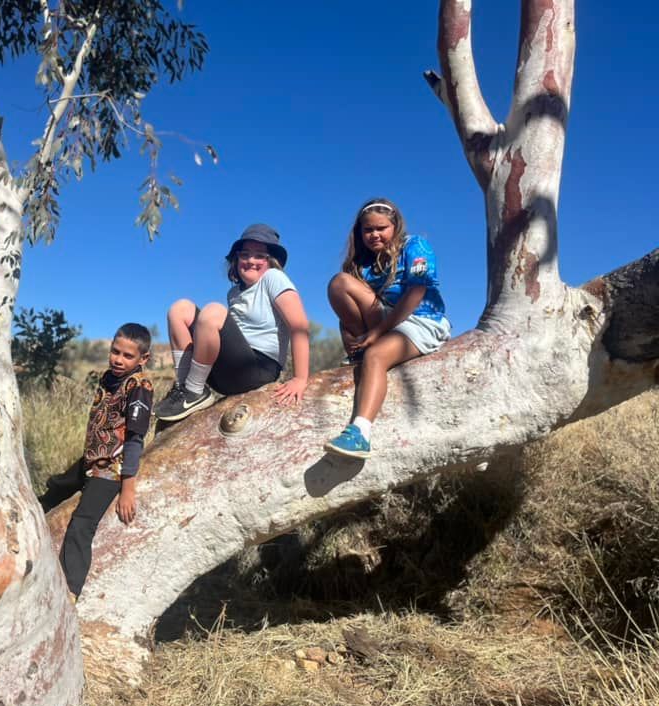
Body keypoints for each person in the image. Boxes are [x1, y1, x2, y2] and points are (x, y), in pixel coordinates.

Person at [323, 198, 450, 459]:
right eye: (368, 230)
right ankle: (361, 356)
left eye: (381, 228)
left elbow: (417, 291)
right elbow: (350, 310)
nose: (374, 234)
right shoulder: (363, 264)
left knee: (376, 356)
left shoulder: (415, 246)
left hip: (422, 319)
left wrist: (378, 333)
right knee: (340, 283)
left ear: (395, 226)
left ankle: (360, 434)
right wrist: (352, 339)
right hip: (387, 319)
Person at [38, 323, 154, 601]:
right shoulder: (108, 378)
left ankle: (70, 590)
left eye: (128, 356)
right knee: (56, 487)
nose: (118, 359)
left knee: (81, 524)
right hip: (92, 460)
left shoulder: (139, 386)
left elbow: (135, 439)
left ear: (143, 359)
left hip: (112, 469)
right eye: (116, 351)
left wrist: (128, 488)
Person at [154, 223, 310, 421]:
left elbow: (299, 327)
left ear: (270, 261)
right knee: (180, 309)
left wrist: (300, 378)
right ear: (236, 259)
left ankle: (193, 391)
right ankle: (186, 388)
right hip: (227, 371)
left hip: (258, 369)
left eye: (259, 255)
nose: (250, 260)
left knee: (213, 312)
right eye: (245, 254)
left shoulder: (274, 278)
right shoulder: (234, 293)